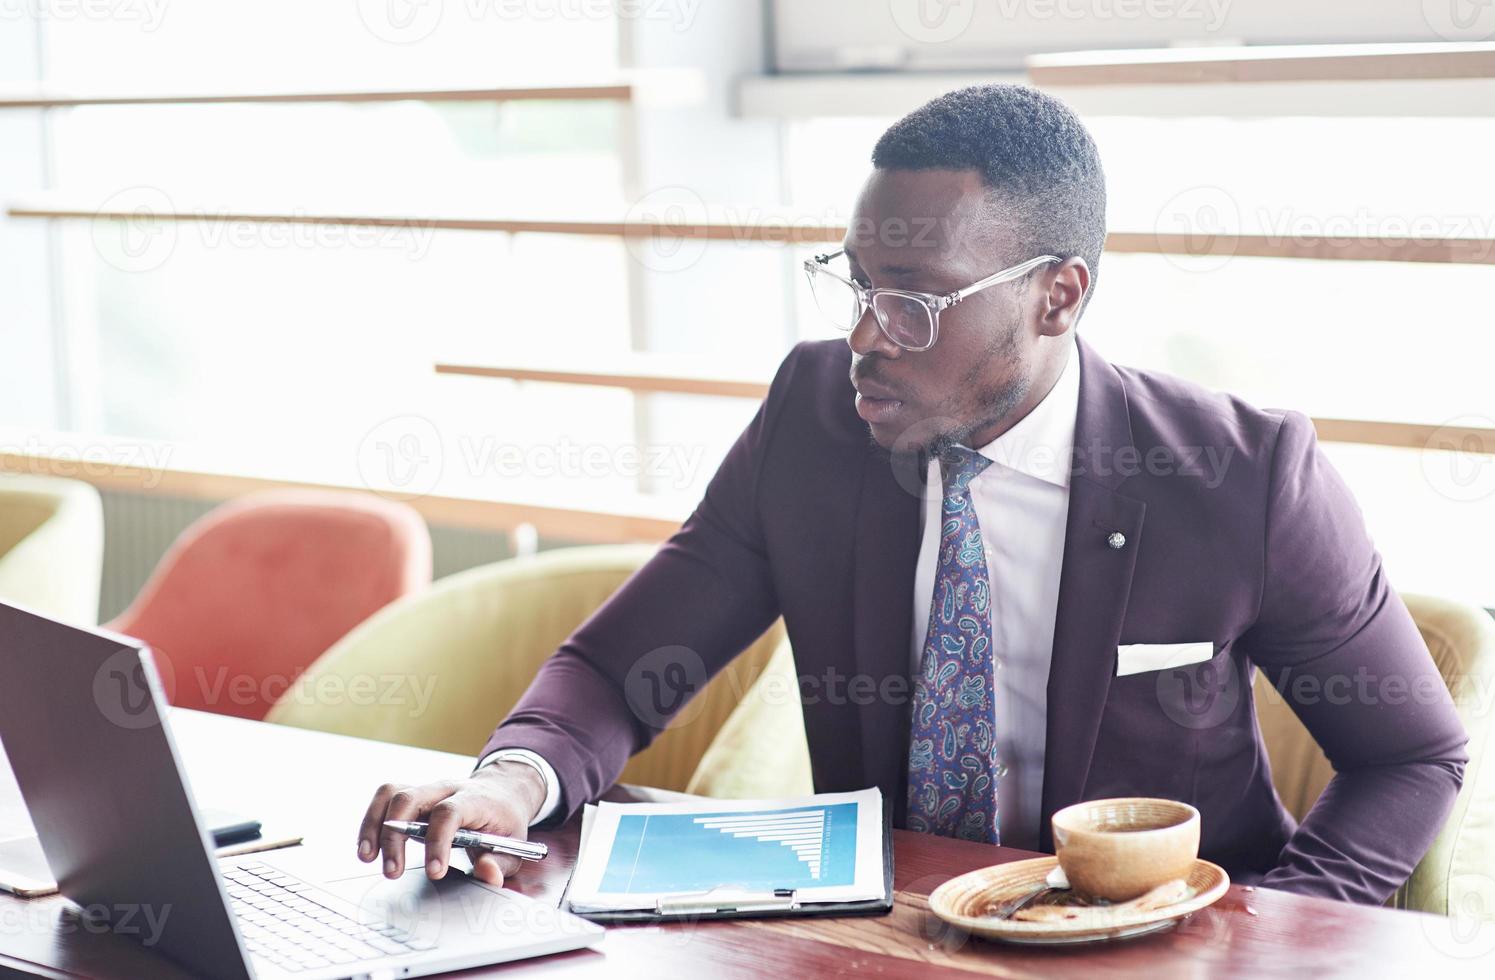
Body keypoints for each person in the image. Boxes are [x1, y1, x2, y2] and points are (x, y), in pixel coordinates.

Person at [357, 84, 1467, 905]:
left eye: (915, 304)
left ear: (1057, 296)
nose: (864, 341)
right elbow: (617, 665)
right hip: (893, 940)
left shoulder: (1242, 475)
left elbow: (1409, 753)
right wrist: (511, 784)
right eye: (855, 282)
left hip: (1155, 943)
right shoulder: (815, 420)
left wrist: (1289, 934)